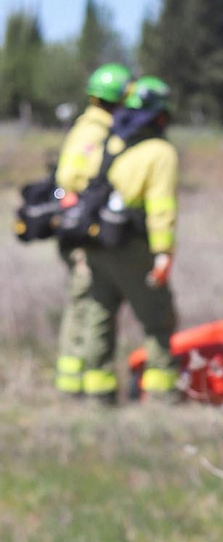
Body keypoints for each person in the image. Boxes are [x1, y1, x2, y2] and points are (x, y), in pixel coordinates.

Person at [59, 75, 181, 403]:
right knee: (157, 319)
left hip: (98, 245)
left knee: (98, 317)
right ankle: (162, 395)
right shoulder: (161, 152)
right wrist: (163, 253)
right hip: (134, 247)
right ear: (160, 114)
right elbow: (160, 207)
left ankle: (98, 395)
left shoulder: (112, 141)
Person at [52, 63, 131, 396]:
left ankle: (73, 381)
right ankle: (79, 383)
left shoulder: (86, 125)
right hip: (83, 231)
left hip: (78, 228)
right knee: (85, 302)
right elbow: (70, 178)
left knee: (83, 302)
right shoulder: (97, 132)